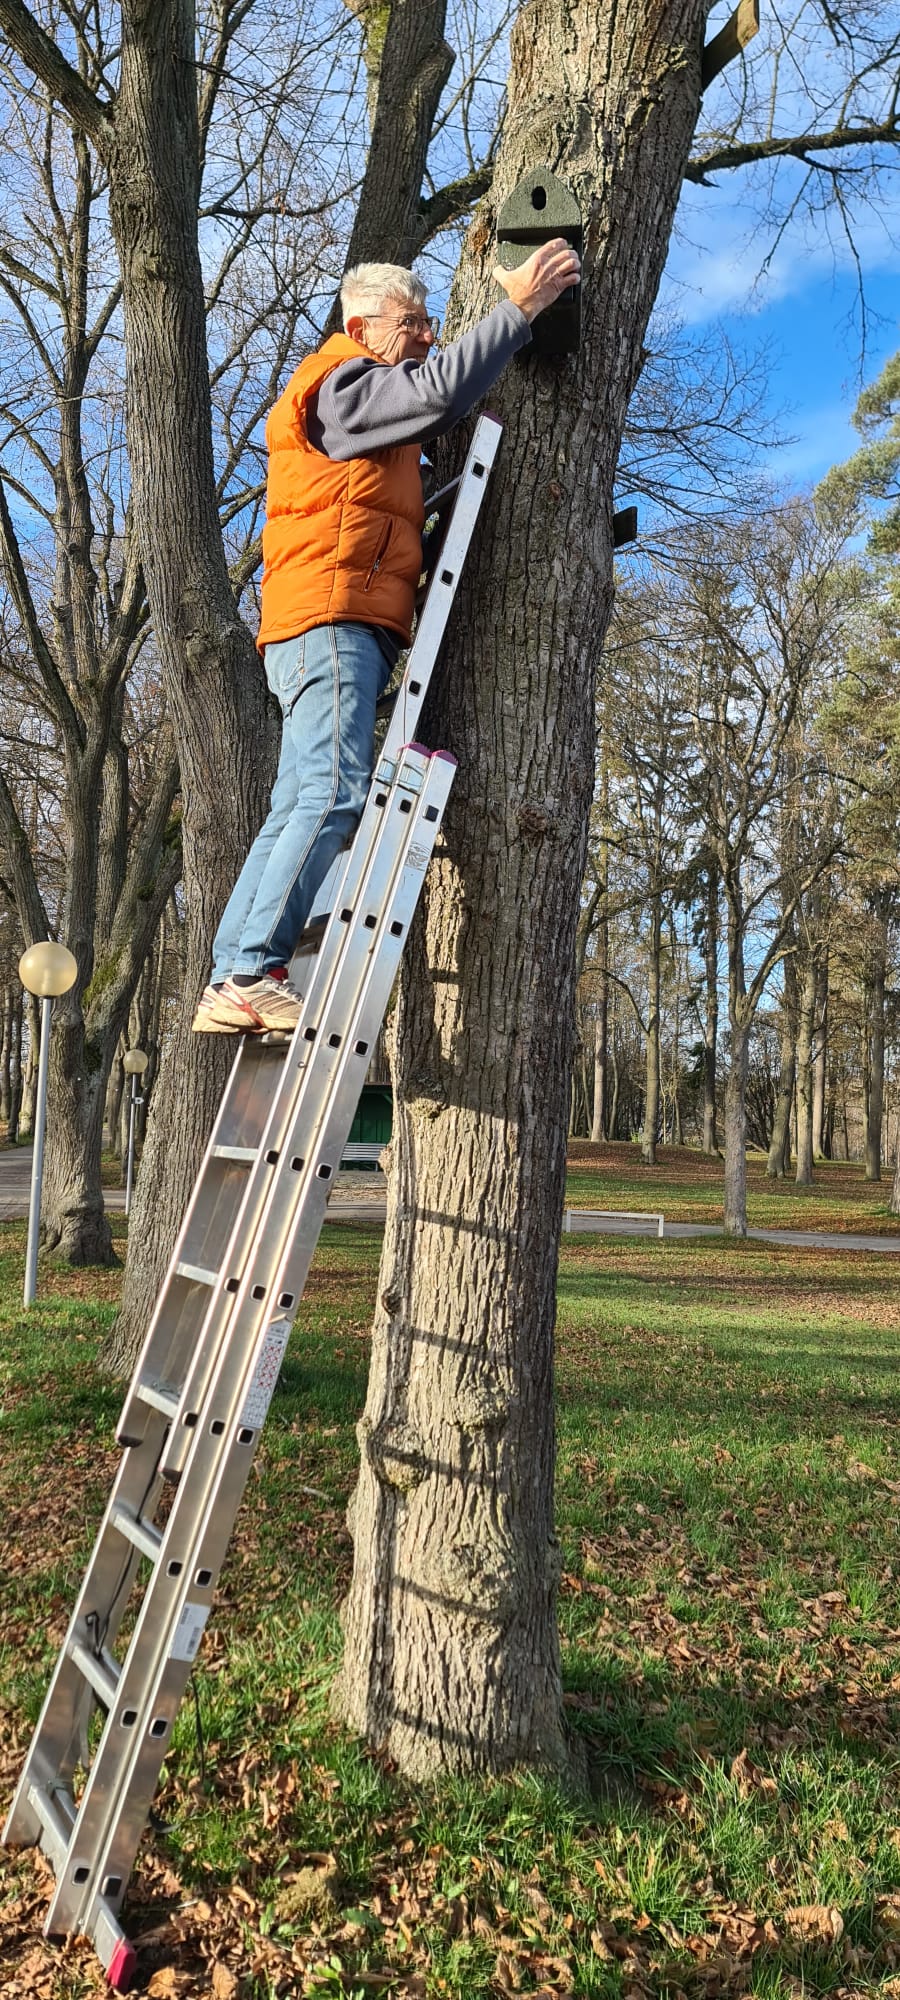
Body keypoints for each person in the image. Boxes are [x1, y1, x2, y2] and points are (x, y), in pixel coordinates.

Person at [193, 235, 581, 1034]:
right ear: (363, 323)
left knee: (298, 801)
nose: (428, 336)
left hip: (319, 620)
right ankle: (248, 971)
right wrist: (518, 310)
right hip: (331, 618)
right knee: (335, 794)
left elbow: (412, 449)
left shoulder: (361, 405)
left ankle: (234, 966)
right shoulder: (342, 386)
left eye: (435, 323)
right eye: (416, 322)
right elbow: (436, 394)